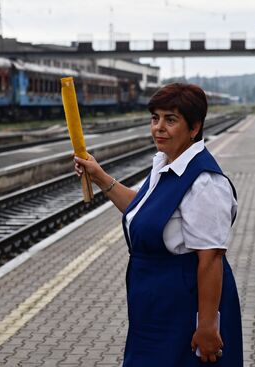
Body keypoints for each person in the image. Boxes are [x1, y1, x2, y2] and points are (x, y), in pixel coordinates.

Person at [74, 83, 243, 366]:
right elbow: (143, 210)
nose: (159, 128)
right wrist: (100, 176)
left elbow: (211, 259)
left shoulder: (205, 183)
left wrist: (207, 326)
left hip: (183, 308)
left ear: (194, 127)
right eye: (155, 118)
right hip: (154, 307)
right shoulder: (165, 164)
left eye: (171, 119)